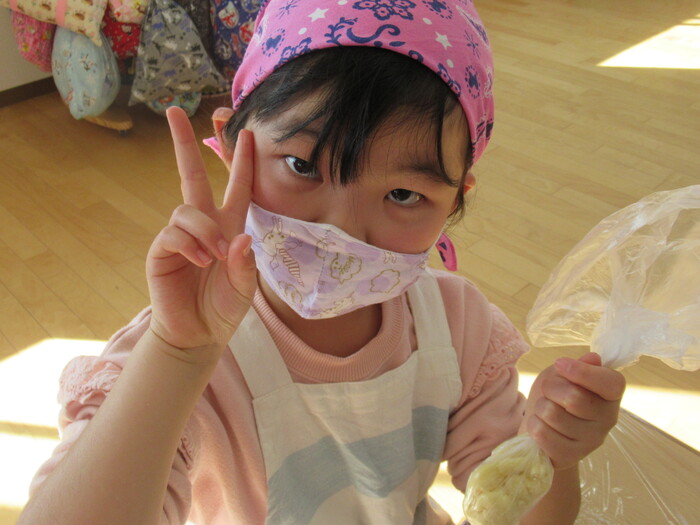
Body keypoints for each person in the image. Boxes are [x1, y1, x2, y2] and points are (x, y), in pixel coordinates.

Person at [18, 1, 626, 524]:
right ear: (231, 145)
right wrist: (177, 356)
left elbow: (519, 511)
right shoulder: (176, 355)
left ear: (455, 200)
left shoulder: (459, 328)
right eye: (303, 166)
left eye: (403, 194)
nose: (340, 231)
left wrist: (552, 451)